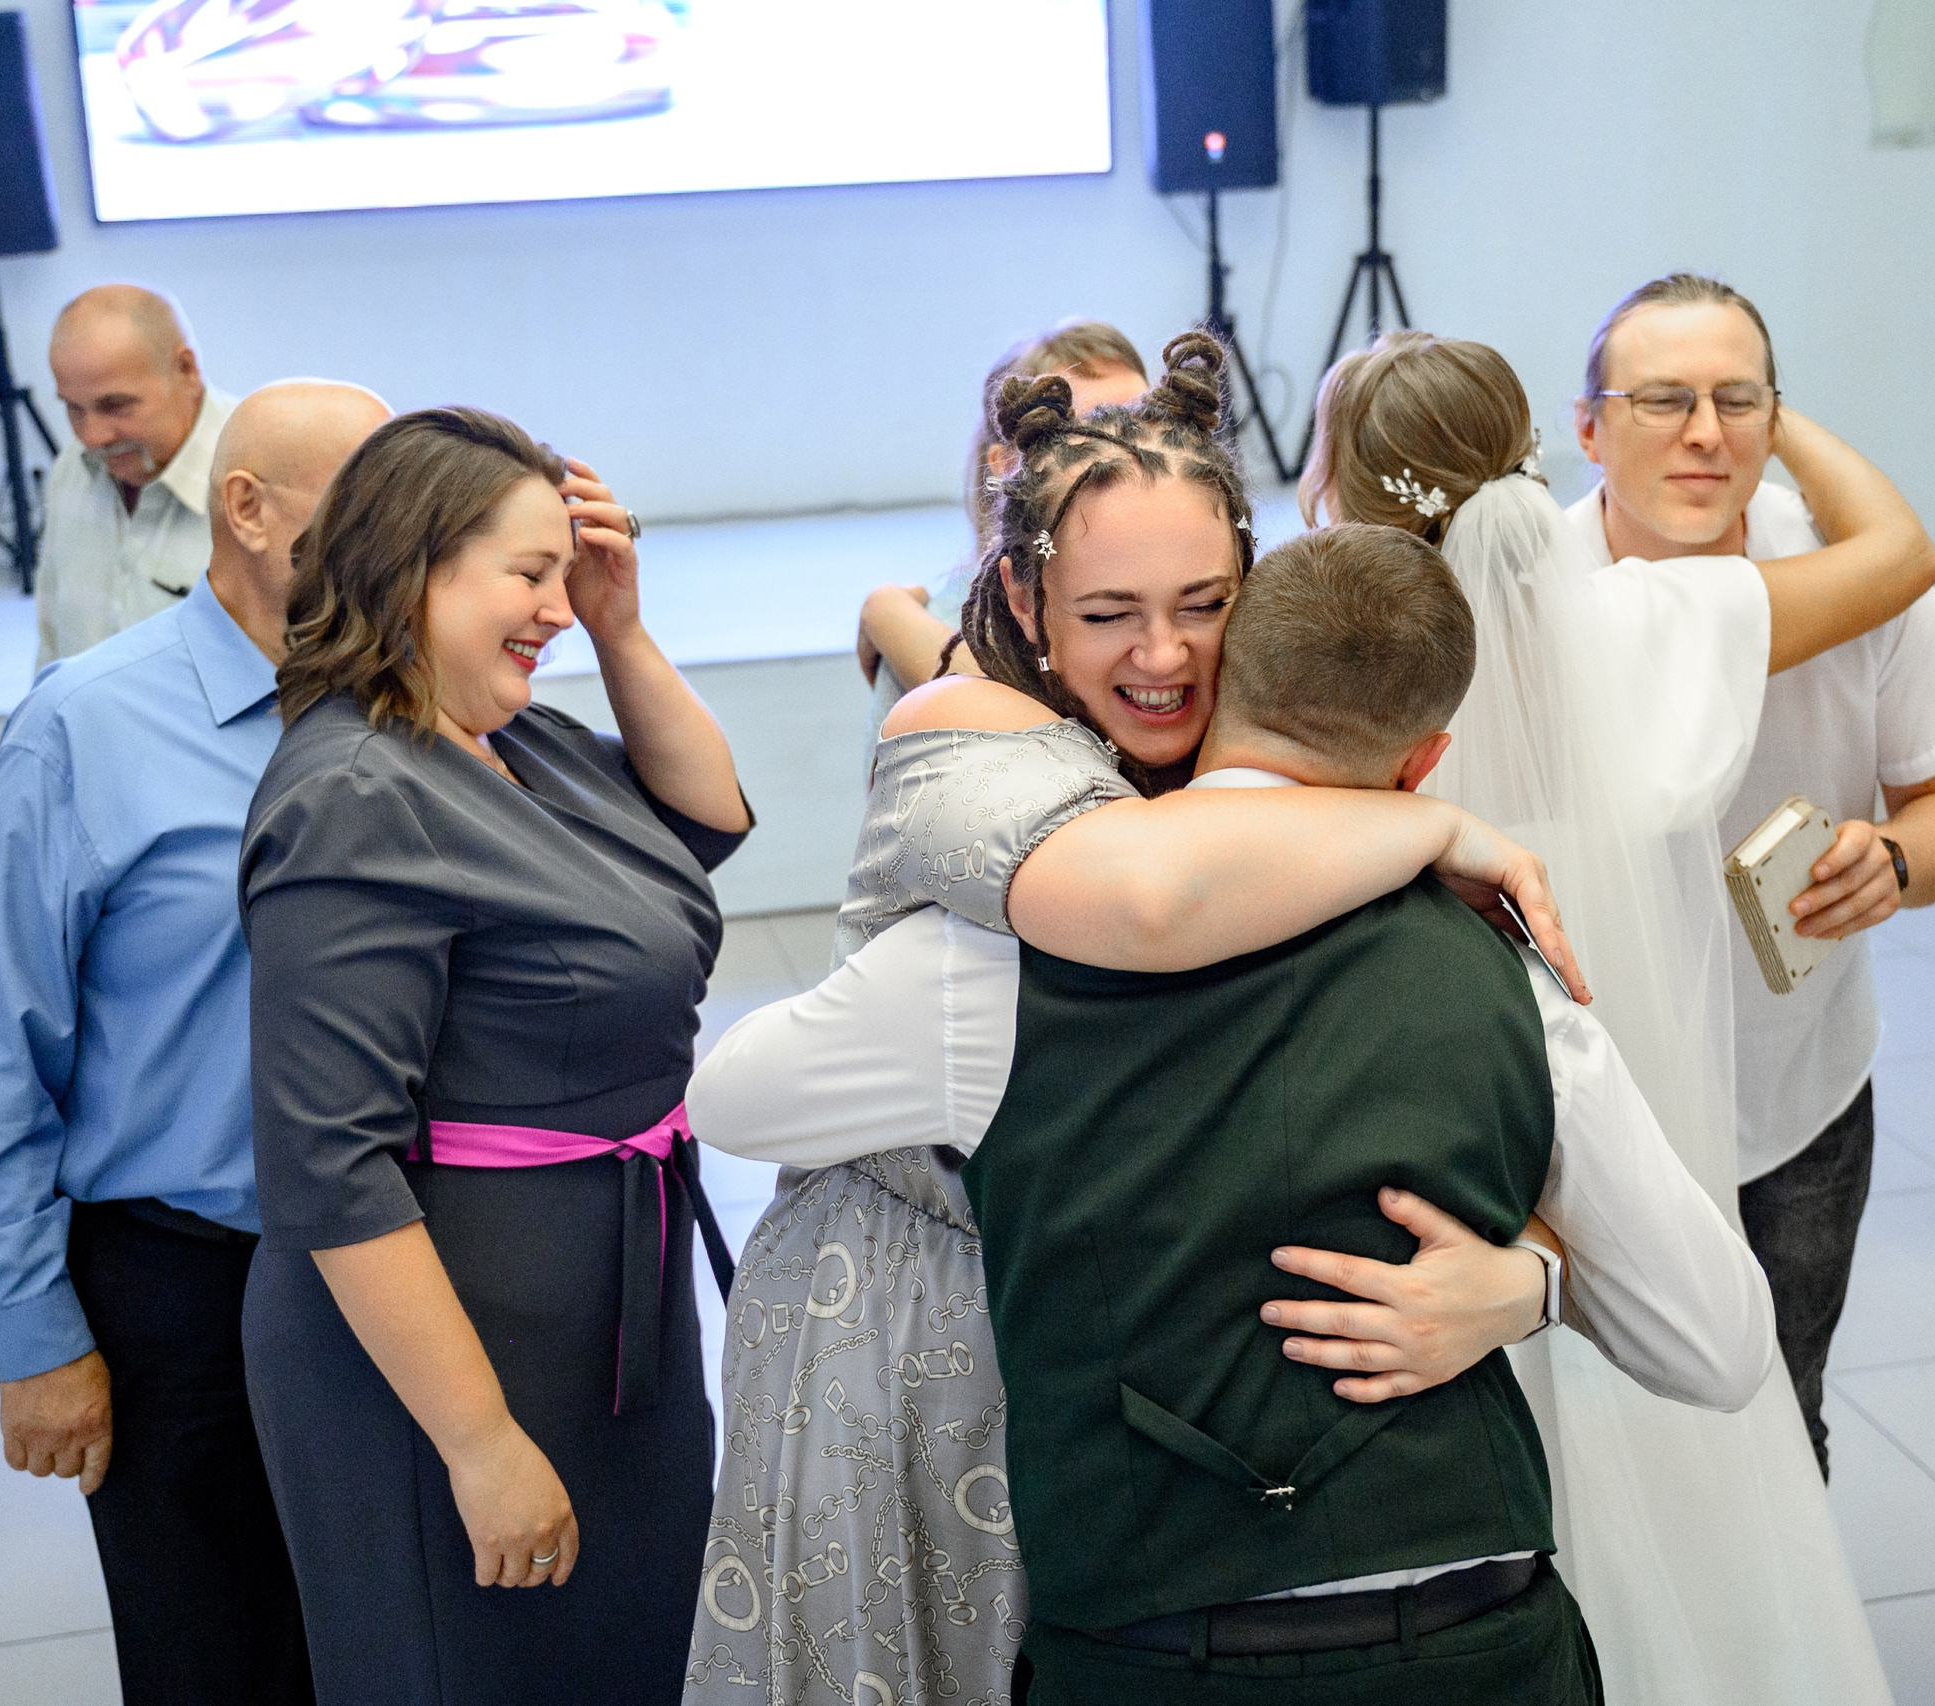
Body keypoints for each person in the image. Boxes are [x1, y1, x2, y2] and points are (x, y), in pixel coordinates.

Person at [691, 522, 1775, 1703]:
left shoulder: (986, 963)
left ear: (1216, 690)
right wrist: (1535, 1281)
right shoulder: (1511, 975)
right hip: (1482, 1638)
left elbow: (731, 1097)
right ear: (1425, 762)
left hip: (1158, 1657)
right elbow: (1720, 1347)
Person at [1304, 326, 1923, 1703]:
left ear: (1339, 491)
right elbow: (1897, 552)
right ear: (1530, 454)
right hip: (1640, 1169)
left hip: (1431, 1189)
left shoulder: (1328, 681)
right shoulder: (1662, 620)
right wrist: (1768, 407)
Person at [237, 407, 752, 1706]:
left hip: (602, 1309)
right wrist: (478, 1442)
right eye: (531, 575)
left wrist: (624, 626)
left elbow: (707, 821)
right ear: (414, 565)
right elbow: (329, 1163)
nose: (558, 610)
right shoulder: (354, 791)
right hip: (454, 1351)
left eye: (566, 576)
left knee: (624, 1655)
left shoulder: (515, 740)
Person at [0, 380, 391, 1705]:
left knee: (389, 1647)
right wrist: (33, 1332)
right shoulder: (86, 724)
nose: (410, 533)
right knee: (215, 1658)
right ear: (247, 509)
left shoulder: (414, 703)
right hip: (186, 1286)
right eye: (372, 500)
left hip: (397, 1268)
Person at [1571, 273, 1935, 1479]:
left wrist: (1898, 860)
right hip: (1600, 1108)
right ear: (1587, 428)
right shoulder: (1538, 588)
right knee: (1603, 1456)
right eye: (1662, 400)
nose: (1704, 434)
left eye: (1736, 401)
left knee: (1780, 1423)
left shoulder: (1852, 574)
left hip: (1798, 1092)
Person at [854, 320, 1149, 717]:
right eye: (1094, 435)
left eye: (1153, 423)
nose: (1141, 457)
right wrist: (887, 614)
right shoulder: (941, 626)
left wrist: (883, 610)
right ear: (1008, 466)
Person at [37, 284, 241, 666]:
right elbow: (52, 639)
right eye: (73, 408)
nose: (91, 437)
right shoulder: (72, 468)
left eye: (115, 405)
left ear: (186, 370)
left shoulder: (260, 475)